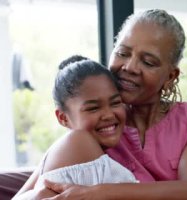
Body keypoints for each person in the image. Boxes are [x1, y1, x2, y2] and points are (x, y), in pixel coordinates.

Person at [14, 9, 187, 200]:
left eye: (148, 62)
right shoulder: (101, 125)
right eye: (122, 53)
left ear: (171, 76)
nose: (130, 67)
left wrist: (98, 192)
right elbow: (33, 190)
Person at [13, 55, 138, 199]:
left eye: (115, 103)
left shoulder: (64, 152)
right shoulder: (80, 141)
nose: (108, 115)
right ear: (63, 118)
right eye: (93, 108)